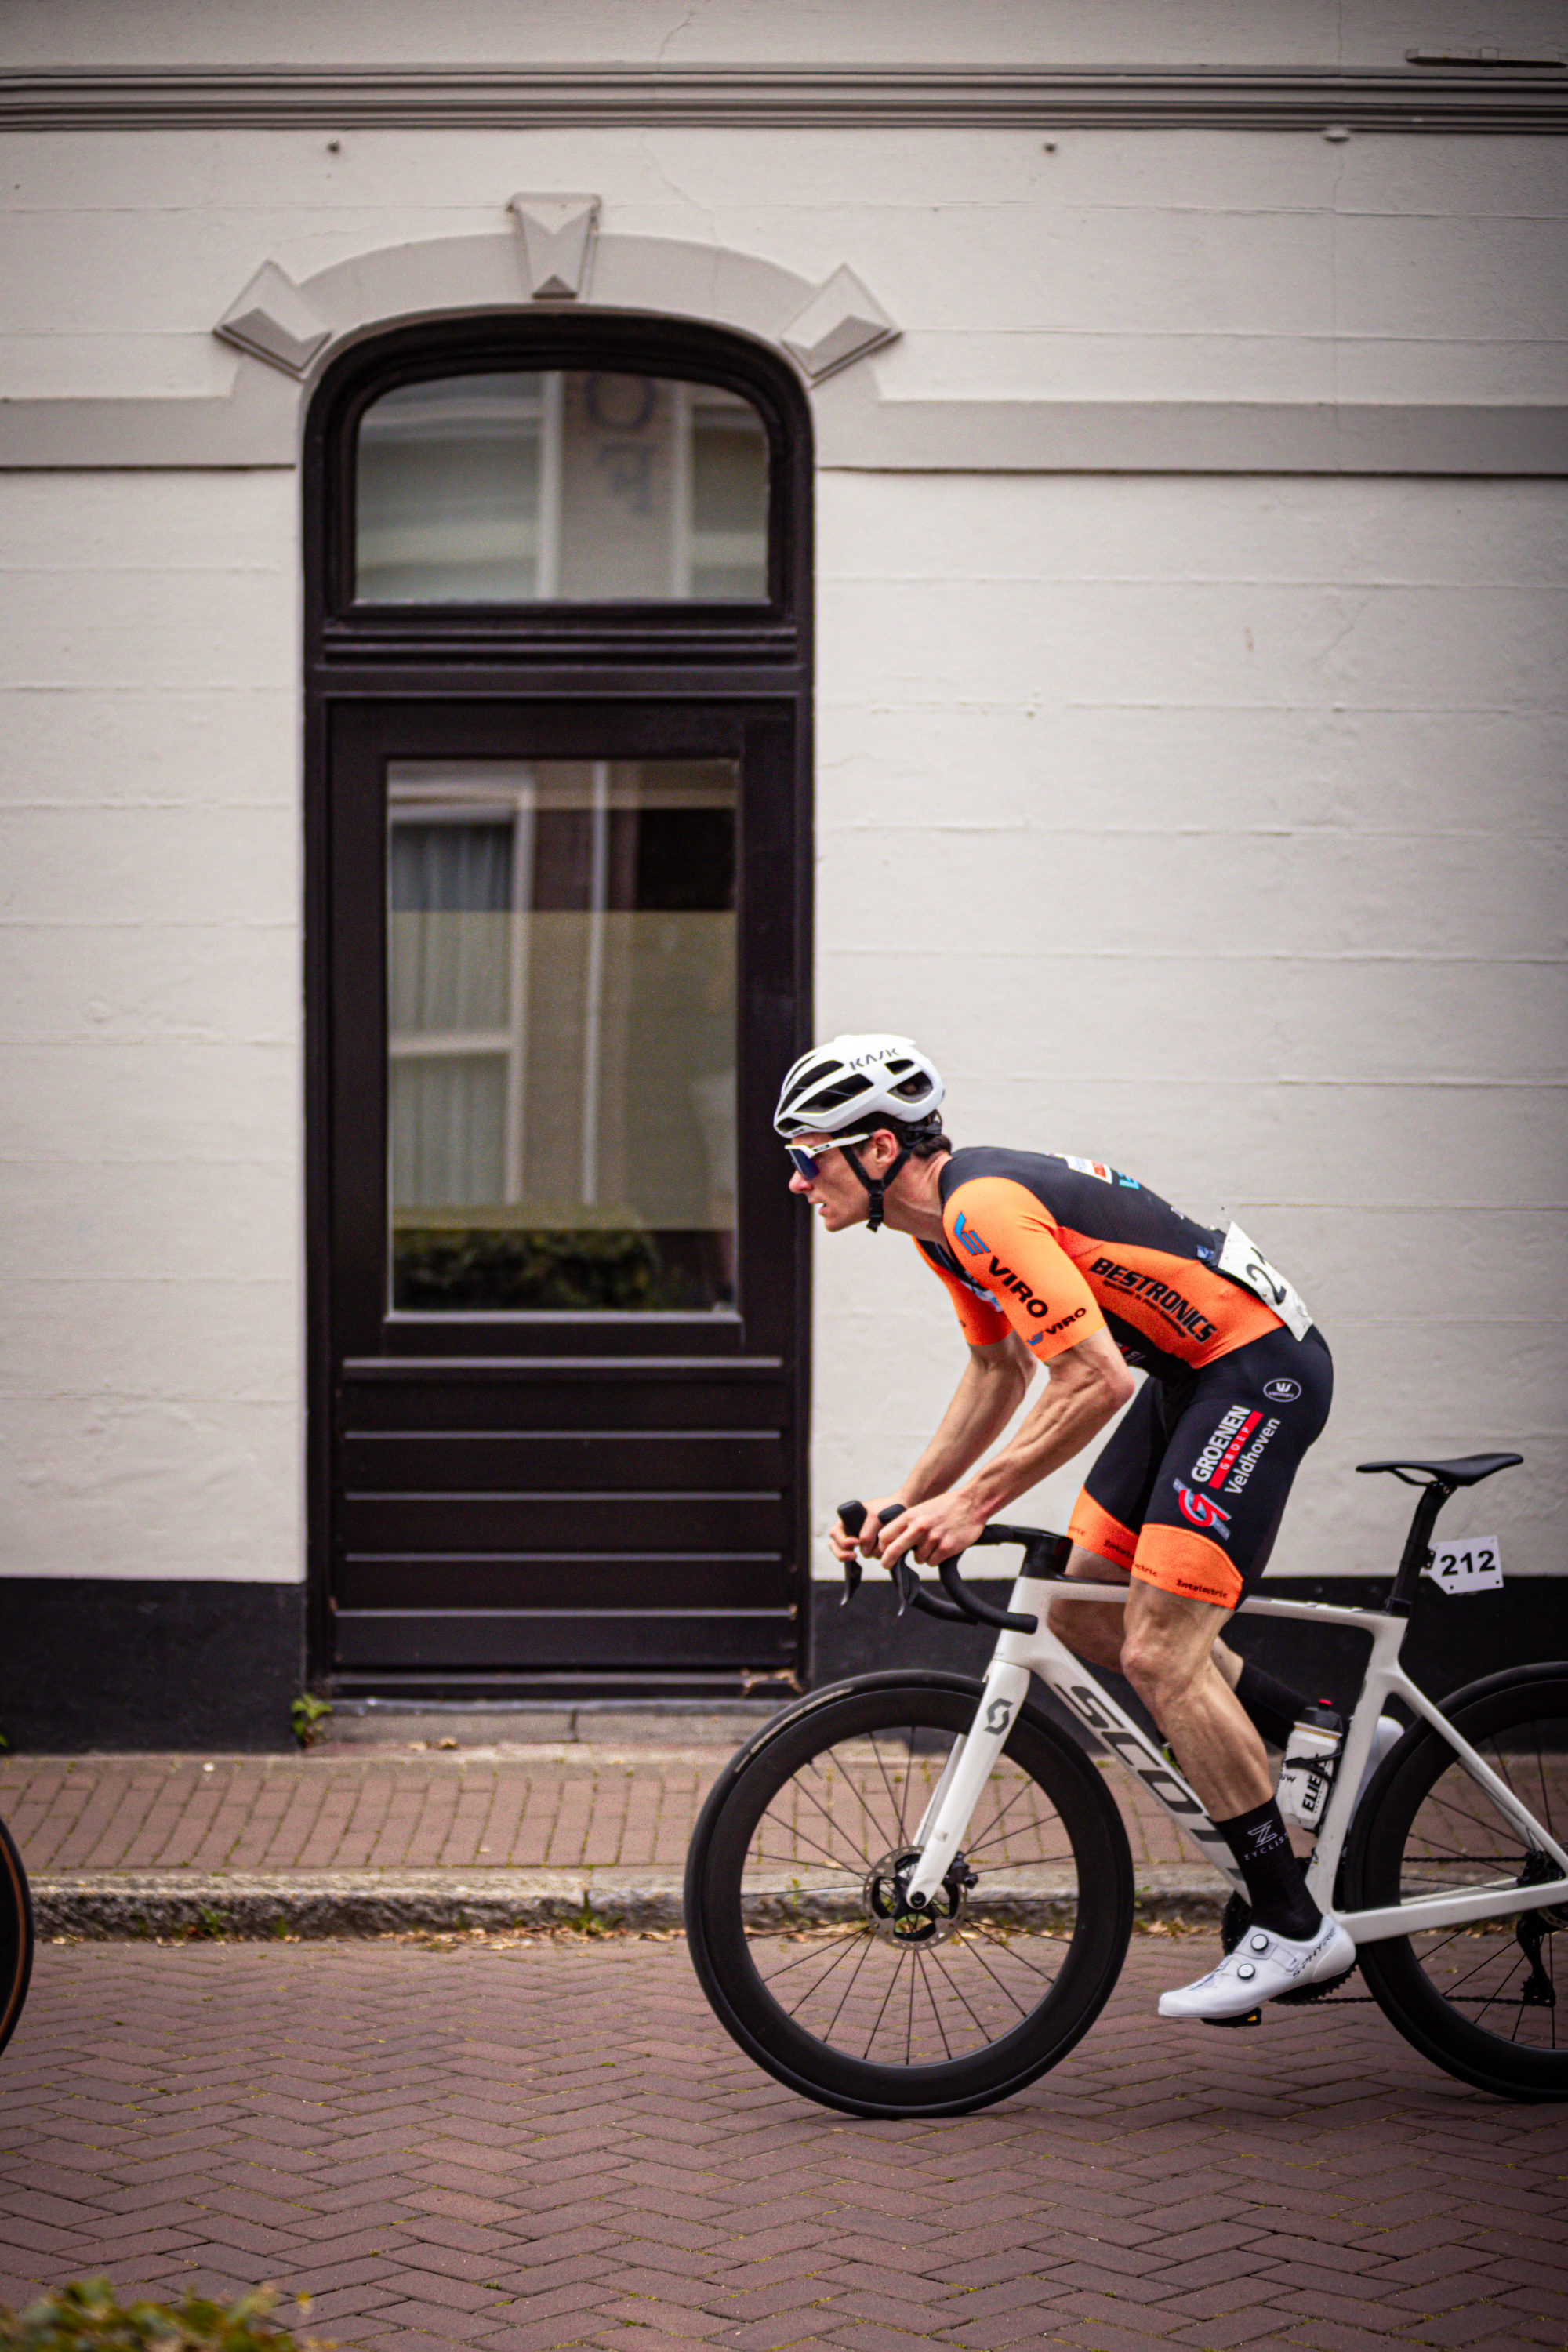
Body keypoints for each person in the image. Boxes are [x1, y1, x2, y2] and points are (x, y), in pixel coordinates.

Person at [776, 1032, 1356, 2022]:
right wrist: (911, 1499)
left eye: (806, 1155)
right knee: (1090, 1616)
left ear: (876, 1149)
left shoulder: (981, 1208)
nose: (796, 1182)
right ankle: (1324, 1737)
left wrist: (970, 1505)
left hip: (1257, 1373)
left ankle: (1291, 1925)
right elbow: (998, 1371)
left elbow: (1093, 1377)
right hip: (1193, 1376)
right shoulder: (937, 1228)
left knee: (1161, 1653)